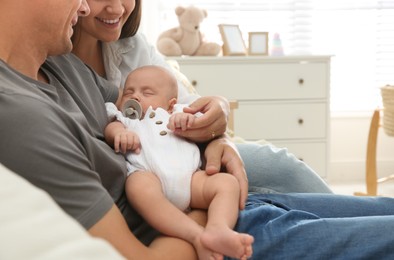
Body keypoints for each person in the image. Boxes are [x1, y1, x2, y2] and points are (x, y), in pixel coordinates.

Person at [3, 0, 394, 260]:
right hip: (216, 233)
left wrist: (217, 128)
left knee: (303, 175)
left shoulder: (62, 66)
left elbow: (170, 108)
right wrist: (203, 226)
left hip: (225, 205)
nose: (88, 5)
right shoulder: (21, 115)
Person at [71, 0, 333, 195]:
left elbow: (189, 104)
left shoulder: (133, 45)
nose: (117, 8)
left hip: (185, 155)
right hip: (143, 178)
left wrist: (217, 121)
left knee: (280, 166)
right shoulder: (54, 69)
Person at [105, 65, 254, 259]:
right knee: (137, 187)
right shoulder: (126, 120)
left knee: (227, 183)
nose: (136, 97)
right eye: (129, 92)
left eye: (147, 92)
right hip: (148, 175)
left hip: (191, 180)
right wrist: (120, 134)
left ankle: (219, 228)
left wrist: (187, 120)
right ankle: (193, 233)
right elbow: (111, 129)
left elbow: (207, 122)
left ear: (170, 103)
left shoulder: (178, 113)